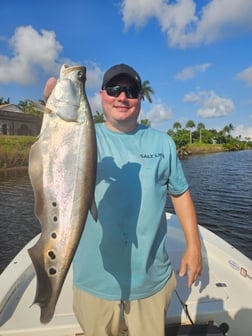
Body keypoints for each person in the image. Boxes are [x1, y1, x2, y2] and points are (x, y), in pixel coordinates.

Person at [44, 64, 202, 336]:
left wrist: (194, 245)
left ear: (140, 98)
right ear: (102, 94)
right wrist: (54, 118)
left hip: (151, 281)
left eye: (131, 91)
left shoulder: (162, 143)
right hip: (93, 281)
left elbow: (180, 193)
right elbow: (54, 157)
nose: (122, 97)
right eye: (115, 89)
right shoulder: (83, 134)